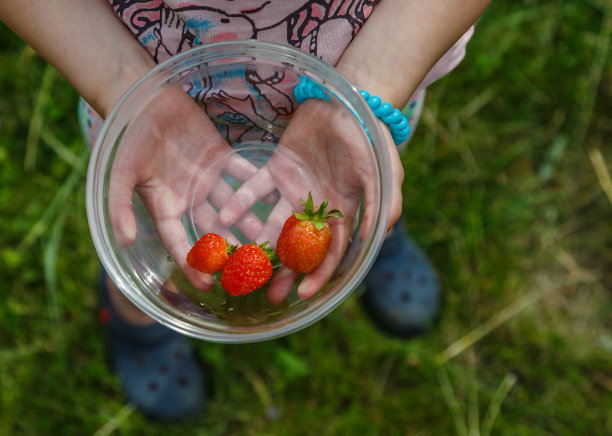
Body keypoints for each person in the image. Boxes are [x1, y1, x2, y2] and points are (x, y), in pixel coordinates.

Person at [0, 0, 491, 421]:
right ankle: (137, 321)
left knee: (362, 184)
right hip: (144, 113)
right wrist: (123, 85)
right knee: (147, 233)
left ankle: (375, 235)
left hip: (371, 81)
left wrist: (369, 84)